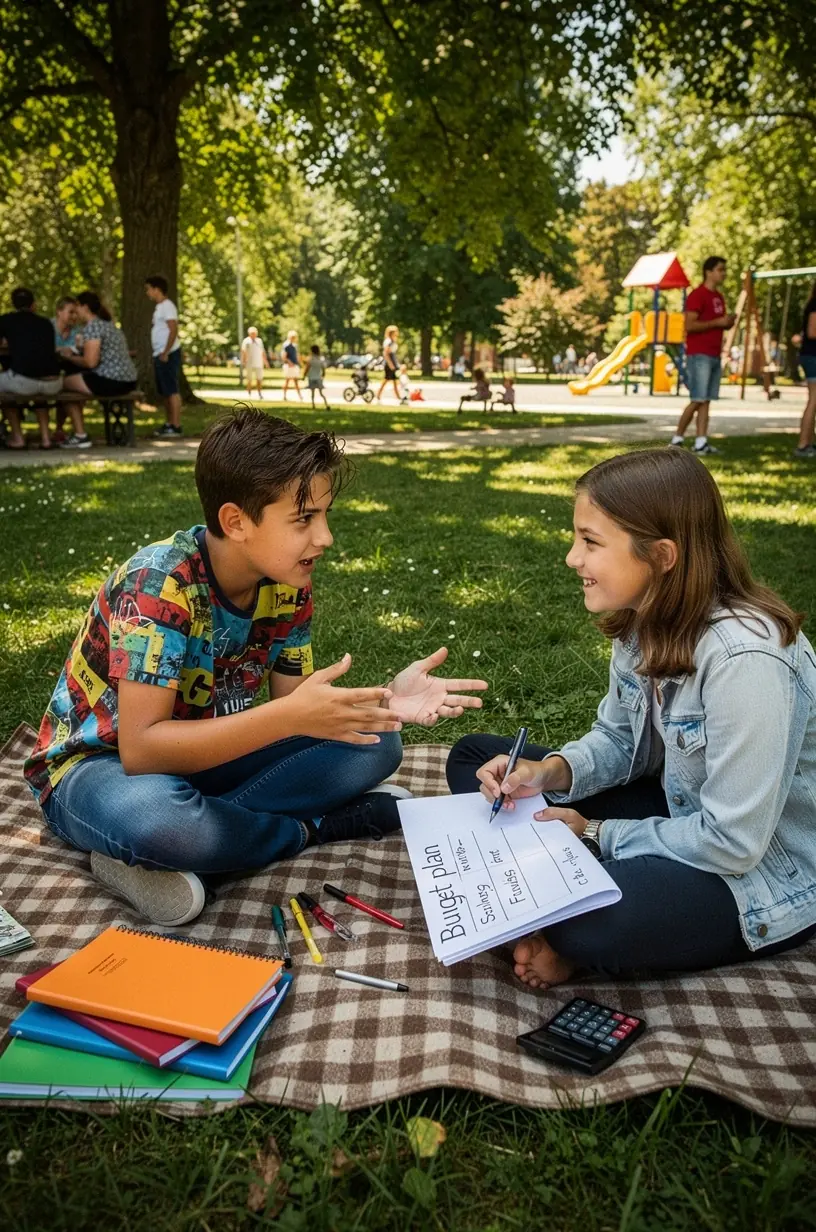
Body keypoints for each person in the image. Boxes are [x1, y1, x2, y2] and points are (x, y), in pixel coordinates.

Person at [24, 409, 487, 928]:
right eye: (304, 519)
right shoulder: (158, 583)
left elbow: (299, 705)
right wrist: (291, 719)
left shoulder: (289, 582)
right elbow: (142, 748)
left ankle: (195, 849)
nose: (325, 537)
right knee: (161, 818)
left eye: (325, 515)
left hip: (207, 758)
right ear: (236, 522)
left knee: (379, 741)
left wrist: (382, 702)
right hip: (98, 769)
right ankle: (310, 830)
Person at [447, 448, 816, 988]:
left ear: (662, 554)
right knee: (475, 759)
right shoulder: (643, 621)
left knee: (584, 925)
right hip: (679, 809)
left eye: (590, 542)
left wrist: (596, 833)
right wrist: (547, 772)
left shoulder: (745, 659)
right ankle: (540, 909)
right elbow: (623, 742)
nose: (572, 558)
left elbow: (735, 843)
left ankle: (554, 928)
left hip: (762, 871)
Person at [670, 256, 736, 455]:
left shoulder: (719, 297)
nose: (723, 273)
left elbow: (719, 323)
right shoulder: (697, 295)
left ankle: (701, 442)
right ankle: (677, 439)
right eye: (720, 269)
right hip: (699, 354)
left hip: (714, 353)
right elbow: (689, 325)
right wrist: (718, 322)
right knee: (698, 398)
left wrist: (728, 322)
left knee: (706, 399)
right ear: (708, 271)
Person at [60, 291, 136, 448]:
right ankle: (78, 431)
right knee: (75, 386)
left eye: (77, 308)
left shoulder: (93, 327)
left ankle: (80, 435)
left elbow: (90, 362)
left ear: (85, 307)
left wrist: (68, 357)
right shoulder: (108, 325)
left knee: (63, 385)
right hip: (129, 380)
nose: (76, 313)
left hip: (111, 381)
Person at [0, 286, 62, 450]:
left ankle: (17, 437)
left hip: (24, 382)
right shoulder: (46, 323)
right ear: (33, 304)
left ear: (13, 304)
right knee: (38, 393)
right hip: (53, 382)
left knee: (6, 393)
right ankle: (46, 439)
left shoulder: (6, 320)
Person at [144, 276, 182, 437]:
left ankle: (176, 425)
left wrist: (166, 351)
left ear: (157, 289)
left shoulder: (167, 306)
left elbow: (173, 329)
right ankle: (169, 423)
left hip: (169, 353)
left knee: (171, 389)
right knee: (165, 390)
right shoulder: (160, 307)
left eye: (148, 289)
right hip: (160, 353)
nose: (147, 293)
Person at [51, 295, 81, 442]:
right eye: (71, 312)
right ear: (59, 312)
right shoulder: (47, 328)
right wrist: (62, 350)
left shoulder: (77, 332)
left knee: (73, 388)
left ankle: (64, 429)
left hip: (70, 370)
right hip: (49, 371)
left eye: (76, 312)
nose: (74, 316)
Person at [792, 280, 816, 459]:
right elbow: (812, 332)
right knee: (813, 400)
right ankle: (803, 444)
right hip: (813, 356)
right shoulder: (815, 305)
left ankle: (808, 442)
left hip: (810, 355)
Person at [241, 326, 268, 398]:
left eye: (255, 333)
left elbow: (262, 352)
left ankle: (259, 393)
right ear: (249, 333)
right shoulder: (246, 341)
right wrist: (243, 361)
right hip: (249, 362)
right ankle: (249, 392)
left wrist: (265, 361)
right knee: (249, 379)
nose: (254, 334)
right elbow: (243, 351)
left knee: (259, 379)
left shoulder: (259, 341)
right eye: (252, 333)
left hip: (258, 362)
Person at [376, 325, 400, 401]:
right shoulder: (388, 341)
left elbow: (393, 354)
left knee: (394, 380)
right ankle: (378, 394)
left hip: (392, 362)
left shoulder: (393, 341)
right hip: (389, 363)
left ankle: (398, 396)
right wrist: (391, 365)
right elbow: (386, 354)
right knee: (387, 379)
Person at [302, 344, 329, 409]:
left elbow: (307, 368)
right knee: (321, 393)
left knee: (312, 393)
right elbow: (323, 369)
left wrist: (304, 376)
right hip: (318, 377)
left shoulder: (310, 359)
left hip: (311, 377)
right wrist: (323, 375)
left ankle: (313, 405)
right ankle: (326, 404)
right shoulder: (320, 359)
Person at [281, 331, 302, 401]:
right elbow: (284, 356)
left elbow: (296, 356)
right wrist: (289, 362)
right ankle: (284, 395)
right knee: (287, 381)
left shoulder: (295, 345)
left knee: (295, 381)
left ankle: (299, 395)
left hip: (294, 365)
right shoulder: (286, 345)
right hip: (288, 366)